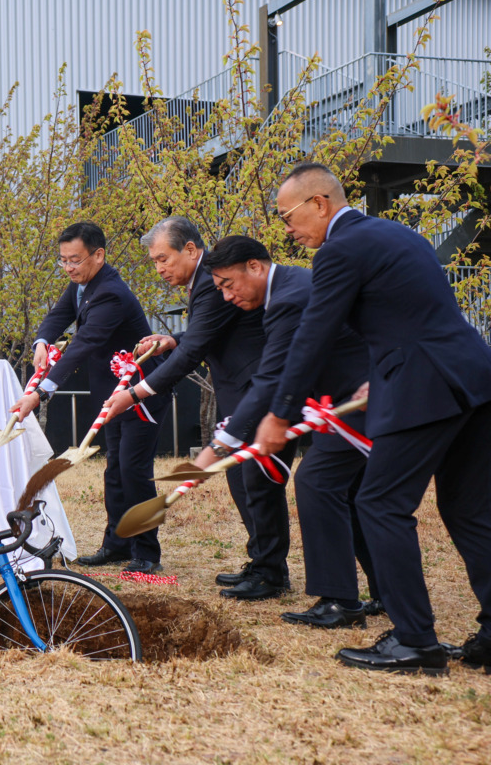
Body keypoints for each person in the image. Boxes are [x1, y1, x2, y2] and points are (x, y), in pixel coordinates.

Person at [254, 162, 491, 675]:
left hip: (424, 388)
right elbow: (405, 316)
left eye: (288, 217)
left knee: (380, 503)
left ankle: (415, 641)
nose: (287, 230)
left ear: (320, 204)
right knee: (470, 511)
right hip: (472, 376)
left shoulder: (339, 249)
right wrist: (375, 378)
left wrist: (279, 413)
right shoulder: (396, 234)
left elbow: (313, 336)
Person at [99, 216, 293, 599]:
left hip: (254, 386)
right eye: (155, 262)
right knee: (242, 481)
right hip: (237, 388)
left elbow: (194, 352)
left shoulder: (210, 279)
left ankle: (271, 572)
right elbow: (208, 331)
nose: (159, 269)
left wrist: (136, 393)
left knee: (255, 481)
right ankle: (263, 562)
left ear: (190, 249)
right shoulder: (206, 281)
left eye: (163, 259)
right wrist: (175, 339)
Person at [196, 235, 379, 628]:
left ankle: (341, 601)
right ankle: (380, 592)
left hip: (362, 397)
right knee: (350, 494)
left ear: (255, 266)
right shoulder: (289, 286)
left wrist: (219, 445)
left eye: (228, 284)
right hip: (345, 397)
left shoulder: (288, 299)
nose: (226, 296)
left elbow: (272, 376)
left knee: (318, 483)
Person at [11, 221, 171, 573]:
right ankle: (117, 545)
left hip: (139, 393)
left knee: (134, 472)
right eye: (63, 260)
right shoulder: (82, 284)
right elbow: (58, 315)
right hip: (111, 394)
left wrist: (41, 392)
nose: (69, 268)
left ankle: (147, 553)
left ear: (98, 256)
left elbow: (83, 345)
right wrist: (42, 342)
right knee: (115, 470)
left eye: (75, 260)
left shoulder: (111, 293)